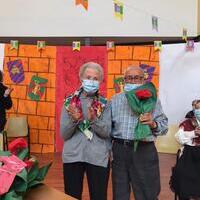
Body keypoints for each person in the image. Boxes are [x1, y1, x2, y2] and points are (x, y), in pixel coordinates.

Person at [111, 66, 168, 200]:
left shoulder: (153, 100)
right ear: (124, 81)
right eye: (129, 78)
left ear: (143, 80)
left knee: (147, 192)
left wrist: (152, 123)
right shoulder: (115, 100)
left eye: (137, 78)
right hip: (120, 150)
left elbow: (164, 127)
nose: (133, 81)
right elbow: (109, 128)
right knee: (119, 193)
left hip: (144, 150)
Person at [60, 62, 111, 200]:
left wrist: (94, 119)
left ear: (100, 81)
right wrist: (74, 120)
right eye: (88, 77)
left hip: (98, 156)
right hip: (73, 156)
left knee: (99, 196)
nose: (91, 81)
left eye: (95, 79)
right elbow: (64, 134)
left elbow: (107, 132)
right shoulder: (69, 102)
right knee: (72, 195)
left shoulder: (105, 104)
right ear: (81, 78)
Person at [171, 99, 200, 200]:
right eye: (197, 108)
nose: (199, 110)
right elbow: (179, 138)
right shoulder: (187, 123)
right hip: (189, 155)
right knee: (182, 174)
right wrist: (193, 133)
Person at [0, 70, 12, 150]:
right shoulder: (4, 89)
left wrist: (6, 95)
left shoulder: (4, 89)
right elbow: (8, 106)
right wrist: (5, 95)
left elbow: (8, 106)